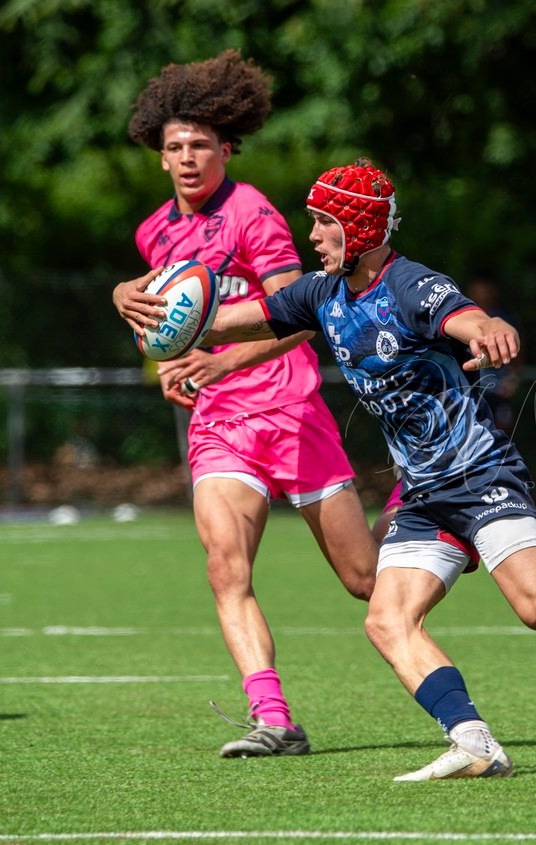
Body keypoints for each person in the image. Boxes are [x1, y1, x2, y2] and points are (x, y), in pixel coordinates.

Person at [188, 158, 536, 781]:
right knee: (385, 617)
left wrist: (492, 328)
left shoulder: (409, 285)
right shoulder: (321, 293)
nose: (312, 235)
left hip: (483, 477)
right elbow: (221, 320)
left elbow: (467, 318)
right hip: (424, 494)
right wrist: (150, 308)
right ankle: (475, 743)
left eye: (322, 222)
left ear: (357, 226)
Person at [110, 51, 382, 758]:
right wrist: (152, 337)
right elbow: (173, 316)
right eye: (176, 147)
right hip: (221, 423)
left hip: (290, 410)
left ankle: (444, 527)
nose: (188, 157)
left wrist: (217, 357)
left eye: (201, 143)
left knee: (365, 581)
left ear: (226, 148)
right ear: (160, 157)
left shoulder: (252, 213)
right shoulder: (153, 232)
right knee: (224, 563)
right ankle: (274, 717)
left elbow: (299, 314)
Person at [464, 272, 522, 434]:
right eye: (478, 288)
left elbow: (518, 352)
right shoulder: (462, 317)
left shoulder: (505, 318)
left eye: (486, 288)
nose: (482, 292)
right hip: (471, 390)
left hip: (497, 389)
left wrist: (513, 378)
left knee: (500, 434)